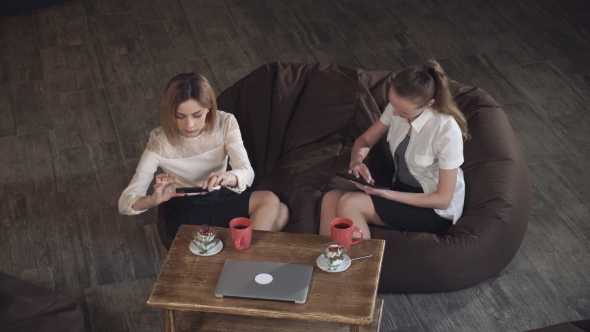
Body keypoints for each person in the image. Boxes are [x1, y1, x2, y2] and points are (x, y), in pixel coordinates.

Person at [119, 73, 289, 236]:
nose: (189, 124)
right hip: (184, 210)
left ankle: (233, 257)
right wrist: (152, 200)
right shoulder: (159, 145)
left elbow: (247, 173)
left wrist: (227, 177)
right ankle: (242, 262)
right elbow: (125, 202)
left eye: (197, 115)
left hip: (216, 199)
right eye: (180, 116)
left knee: (282, 212)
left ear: (208, 108)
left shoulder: (225, 123)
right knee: (268, 200)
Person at [320, 60, 469, 238]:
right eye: (393, 105)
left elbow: (443, 200)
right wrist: (356, 160)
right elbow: (364, 140)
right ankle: (326, 258)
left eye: (404, 112)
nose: (396, 114)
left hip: (433, 209)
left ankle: (362, 265)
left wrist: (386, 194)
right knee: (330, 199)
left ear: (429, 104)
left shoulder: (446, 130)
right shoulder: (397, 107)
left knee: (350, 203)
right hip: (401, 190)